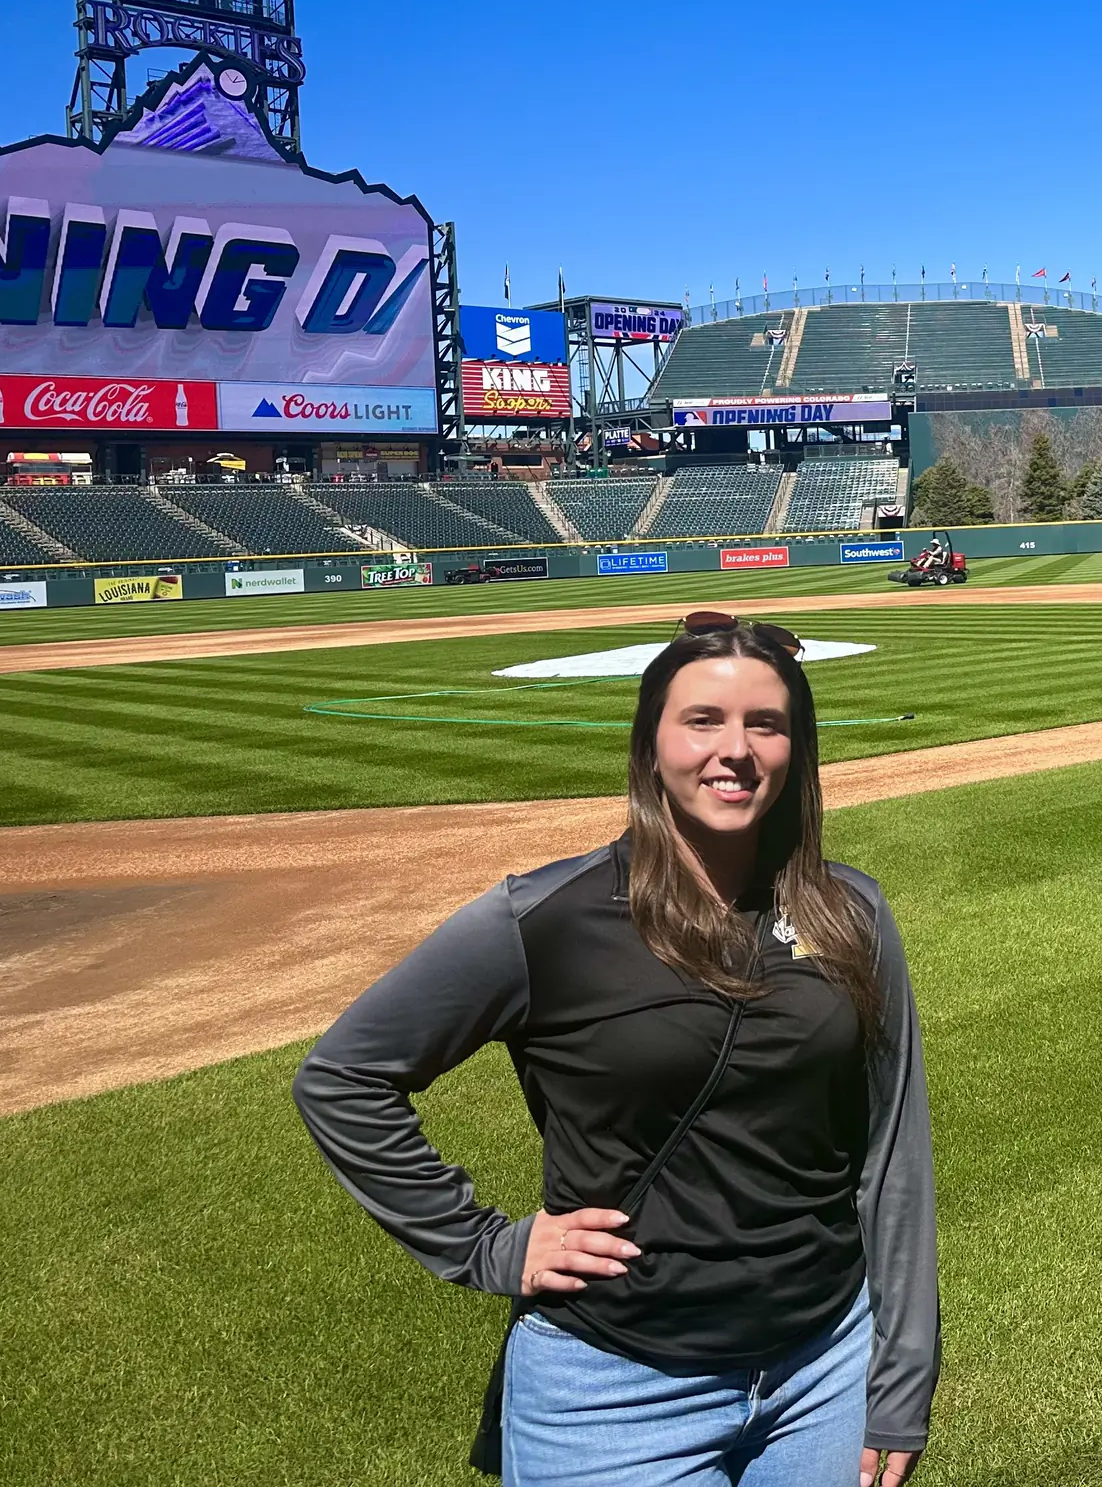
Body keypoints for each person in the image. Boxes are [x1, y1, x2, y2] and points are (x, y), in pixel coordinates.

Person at [295, 614, 936, 1487]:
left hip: (822, 1369)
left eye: (766, 723)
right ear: (651, 742)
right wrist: (485, 1243)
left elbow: (890, 1155)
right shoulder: (547, 917)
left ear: (799, 746)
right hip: (611, 1392)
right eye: (702, 719)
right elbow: (344, 1076)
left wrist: (899, 1377)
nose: (736, 749)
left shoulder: (850, 913)